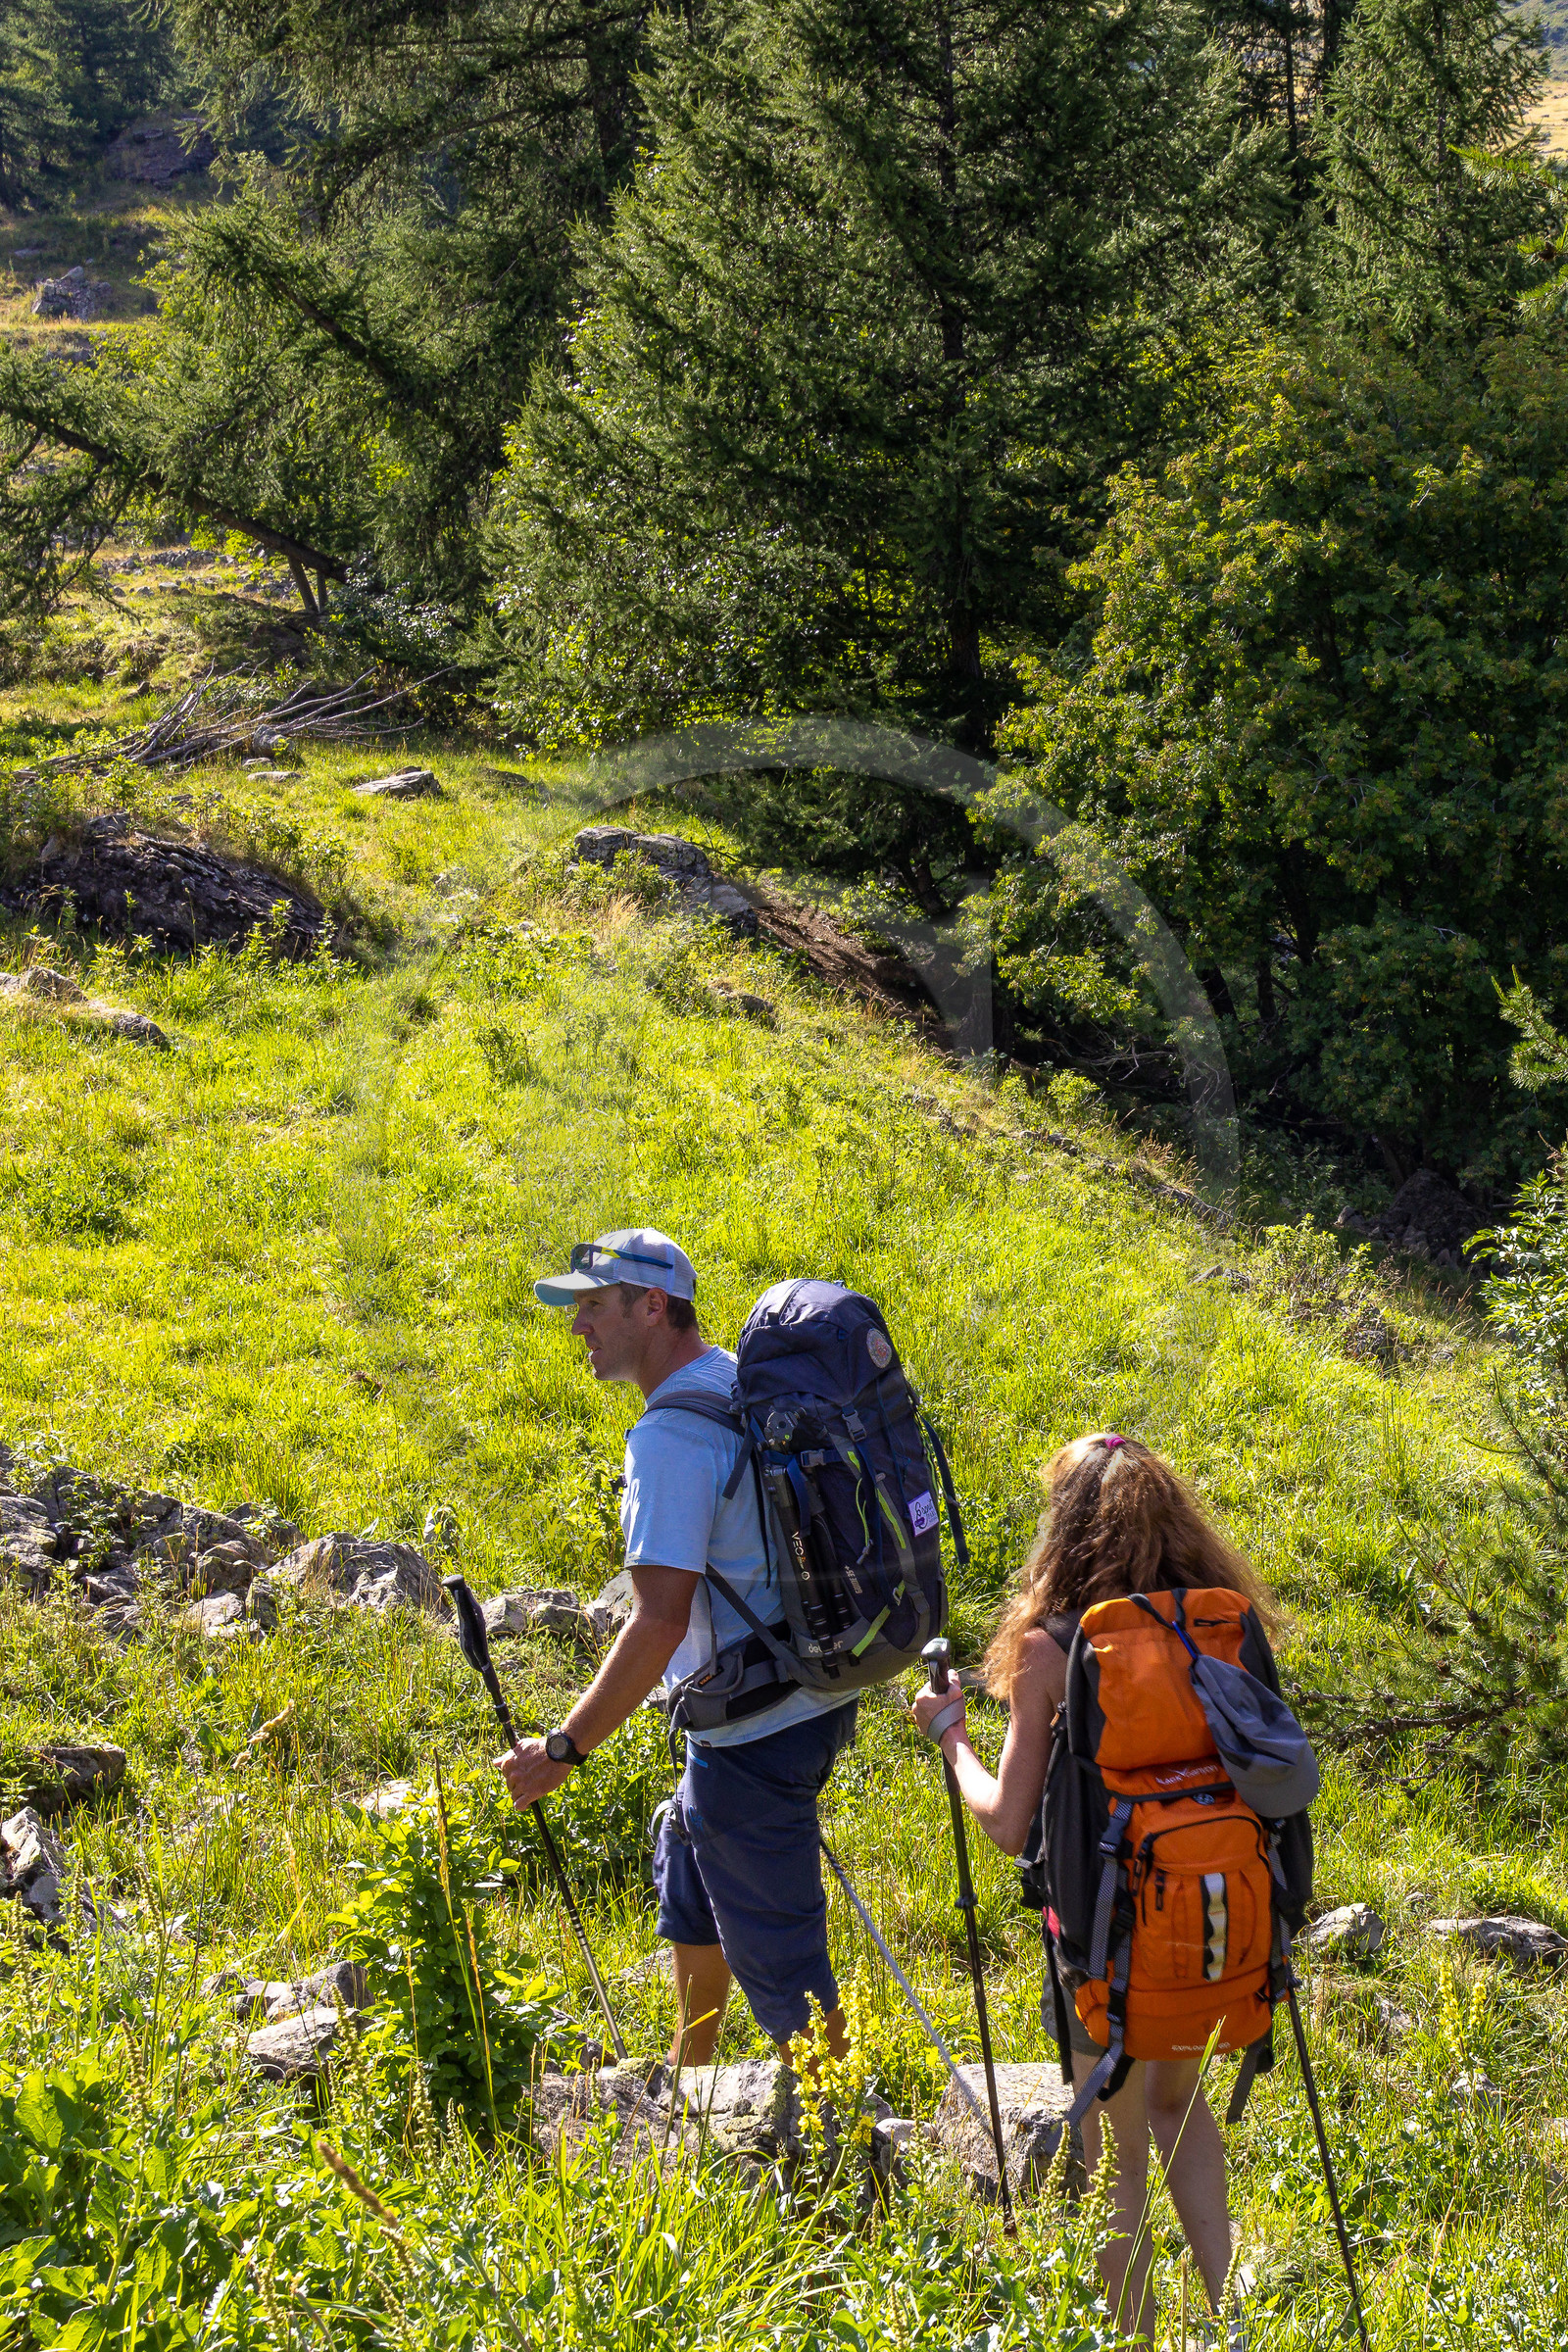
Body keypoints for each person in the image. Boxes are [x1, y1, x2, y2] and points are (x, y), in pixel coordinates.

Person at [912, 1432, 1266, 2348]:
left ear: (1064, 1532)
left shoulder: (1052, 1648)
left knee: (1113, 2155)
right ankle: (1237, 2319)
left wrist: (952, 1736)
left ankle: (1137, 2337)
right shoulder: (1219, 1623)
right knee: (1176, 2108)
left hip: (1104, 1944)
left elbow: (1004, 1820)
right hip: (1213, 1924)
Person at [498, 1227, 858, 2071]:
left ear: (652, 1306)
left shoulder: (668, 1436)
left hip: (754, 1728)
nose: (577, 1327)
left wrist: (564, 1749)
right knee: (695, 1884)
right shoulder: (734, 1380)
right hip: (802, 1691)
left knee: (786, 1963)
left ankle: (847, 2159)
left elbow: (658, 1620)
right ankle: (690, 2090)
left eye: (592, 1307)